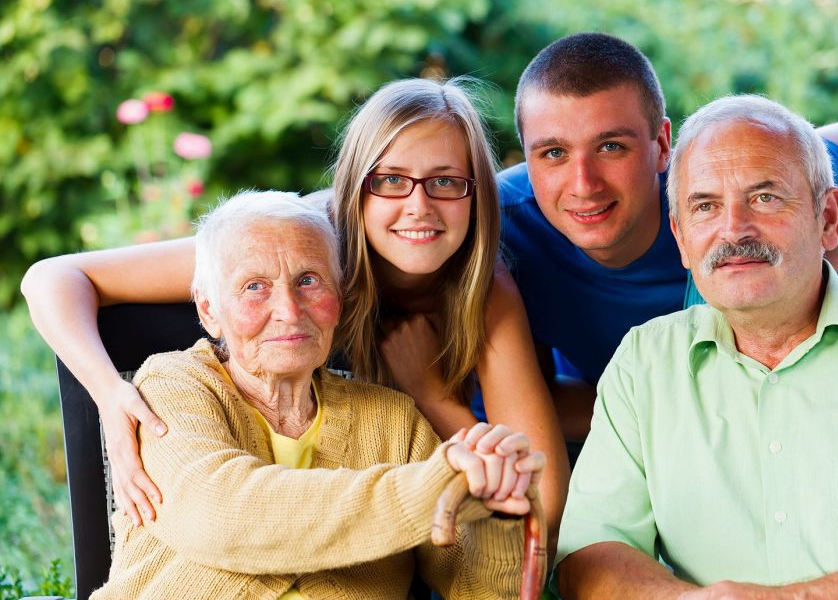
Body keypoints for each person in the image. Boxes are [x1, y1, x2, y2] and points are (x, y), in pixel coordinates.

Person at [20, 78, 569, 543]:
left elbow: (547, 499)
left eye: (446, 182)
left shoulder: (484, 288)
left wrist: (432, 398)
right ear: (356, 187)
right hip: (283, 496)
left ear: (478, 197)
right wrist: (110, 396)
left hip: (407, 522)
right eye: (391, 181)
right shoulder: (298, 243)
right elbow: (54, 277)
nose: (418, 206)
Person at [555, 95, 838, 598]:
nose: (734, 229)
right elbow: (591, 553)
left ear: (829, 219)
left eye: (766, 197)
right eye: (705, 206)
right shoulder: (645, 363)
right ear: (682, 239)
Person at [88, 190, 544, 599]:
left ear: (339, 298)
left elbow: (478, 591)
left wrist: (495, 510)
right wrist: (437, 484)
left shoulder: (393, 422)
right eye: (254, 287)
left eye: (309, 280)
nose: (288, 310)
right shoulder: (172, 385)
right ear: (209, 311)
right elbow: (222, 517)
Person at [498, 32, 838, 442]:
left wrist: (801, 278)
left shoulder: (720, 190)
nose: (584, 184)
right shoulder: (495, 229)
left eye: (610, 146)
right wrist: (674, 405)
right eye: (553, 153)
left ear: (661, 144)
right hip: (616, 427)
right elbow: (510, 408)